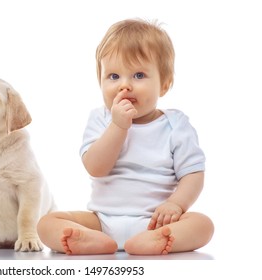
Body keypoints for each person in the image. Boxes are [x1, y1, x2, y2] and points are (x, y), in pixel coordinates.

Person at [37, 18, 214, 255]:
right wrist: (118, 126)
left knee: (203, 225)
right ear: (100, 81)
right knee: (47, 223)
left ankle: (158, 239)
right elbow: (95, 167)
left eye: (139, 75)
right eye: (113, 76)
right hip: (101, 221)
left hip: (155, 222)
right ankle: (93, 241)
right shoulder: (100, 119)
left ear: (164, 84)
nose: (124, 86)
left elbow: (193, 175)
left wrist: (176, 204)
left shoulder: (176, 125)